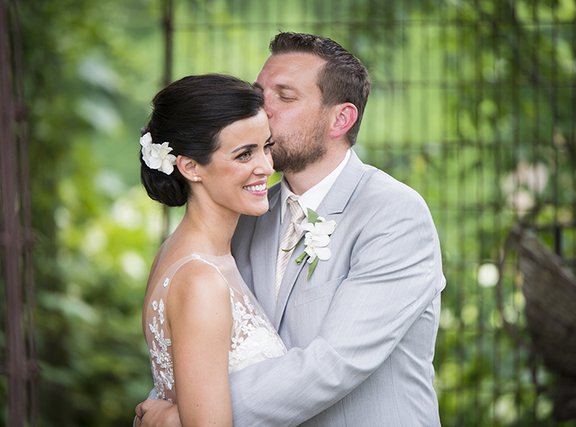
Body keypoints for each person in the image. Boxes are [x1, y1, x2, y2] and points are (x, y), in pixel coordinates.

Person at [137, 32, 445, 426]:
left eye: (284, 96)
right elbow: (199, 341)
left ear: (340, 119)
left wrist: (187, 415)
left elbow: (334, 362)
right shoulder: (248, 216)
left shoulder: (394, 216)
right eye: (259, 92)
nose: (262, 110)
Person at [136, 73, 286, 427]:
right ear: (190, 167)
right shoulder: (201, 280)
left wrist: (174, 418)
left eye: (266, 146)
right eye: (244, 154)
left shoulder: (180, 251)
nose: (266, 167)